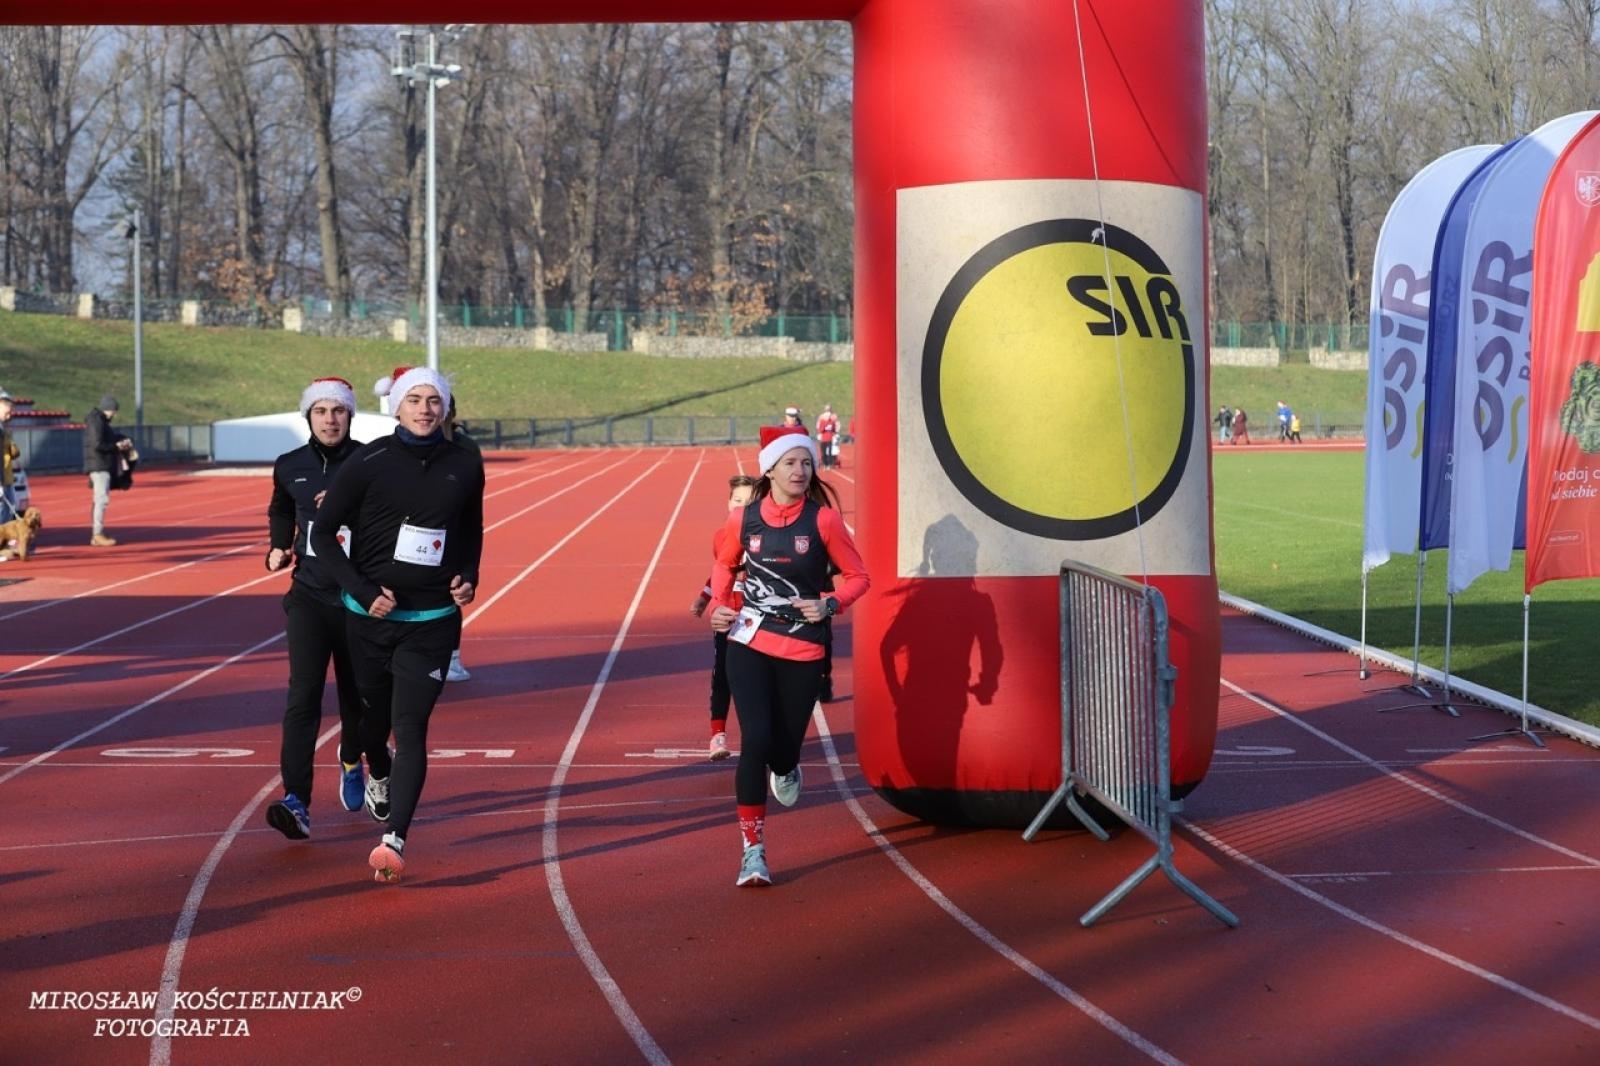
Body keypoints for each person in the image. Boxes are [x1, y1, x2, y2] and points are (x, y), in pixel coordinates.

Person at [311, 367, 485, 883]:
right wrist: (364, 592)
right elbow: (322, 535)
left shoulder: (465, 461)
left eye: (435, 400)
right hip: (369, 619)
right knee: (371, 723)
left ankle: (395, 839)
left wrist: (468, 577)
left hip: (431, 620)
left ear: (446, 407)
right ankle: (374, 767)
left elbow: (470, 529)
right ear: (397, 407)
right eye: (415, 399)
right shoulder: (369, 460)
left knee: (410, 728)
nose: (426, 408)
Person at [706, 426, 869, 887]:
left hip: (802, 646)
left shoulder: (824, 522)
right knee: (754, 738)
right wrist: (720, 605)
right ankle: (752, 852)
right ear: (770, 469)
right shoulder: (746, 519)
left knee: (782, 748)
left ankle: (787, 763)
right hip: (749, 639)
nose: (800, 471)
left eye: (806, 463)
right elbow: (724, 562)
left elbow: (858, 577)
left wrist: (829, 604)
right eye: (791, 463)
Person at [263, 377, 374, 841]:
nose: (330, 419)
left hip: (357, 597)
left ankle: (352, 757)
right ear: (308, 416)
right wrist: (277, 546)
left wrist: (350, 510)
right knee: (302, 696)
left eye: (339, 411)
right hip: (308, 595)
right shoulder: (290, 464)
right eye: (321, 411)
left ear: (350, 416)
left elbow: (391, 516)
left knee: (357, 697)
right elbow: (281, 509)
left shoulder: (371, 461)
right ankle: (297, 799)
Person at [691, 474, 756, 761]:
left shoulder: (765, 536)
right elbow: (720, 571)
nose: (741, 507)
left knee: (754, 681)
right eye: (737, 501)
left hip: (757, 618)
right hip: (727, 618)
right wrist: (705, 598)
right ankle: (717, 736)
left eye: (749, 503)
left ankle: (757, 736)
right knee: (723, 676)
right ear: (728, 503)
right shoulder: (721, 537)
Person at [441, 393, 482, 682]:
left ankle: (452, 657)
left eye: (441, 405)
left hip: (452, 530)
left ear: (452, 412)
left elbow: (473, 493)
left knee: (452, 594)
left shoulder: (466, 448)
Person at [83, 394, 133, 546]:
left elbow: (105, 439)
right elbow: (98, 444)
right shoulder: (96, 421)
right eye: (114, 411)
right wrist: (116, 446)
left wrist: (121, 439)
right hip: (99, 465)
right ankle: (97, 533)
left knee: (99, 499)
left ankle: (97, 533)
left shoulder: (100, 422)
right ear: (108, 409)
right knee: (101, 500)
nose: (115, 414)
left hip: (100, 464)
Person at [0, 389, 19, 525]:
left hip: (6, 476)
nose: (10, 413)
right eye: (8, 407)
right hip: (1, 478)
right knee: (2, 509)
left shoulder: (3, 428)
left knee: (9, 508)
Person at [816, 404, 840, 469]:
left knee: (833, 449)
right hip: (824, 435)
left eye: (829, 409)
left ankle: (833, 460)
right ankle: (825, 462)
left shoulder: (834, 416)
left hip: (831, 435)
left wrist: (836, 432)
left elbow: (837, 424)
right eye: (827, 409)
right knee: (824, 450)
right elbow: (818, 425)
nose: (828, 410)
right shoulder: (822, 416)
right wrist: (819, 432)